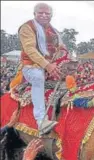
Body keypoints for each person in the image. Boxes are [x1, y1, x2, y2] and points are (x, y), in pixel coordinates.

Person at [11, 3, 66, 134]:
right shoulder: (27, 28)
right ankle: (41, 120)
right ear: (34, 14)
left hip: (52, 66)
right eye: (40, 13)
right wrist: (47, 65)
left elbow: (61, 47)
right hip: (31, 66)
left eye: (47, 13)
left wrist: (66, 61)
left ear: (51, 16)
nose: (44, 15)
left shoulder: (54, 31)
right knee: (38, 78)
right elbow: (30, 50)